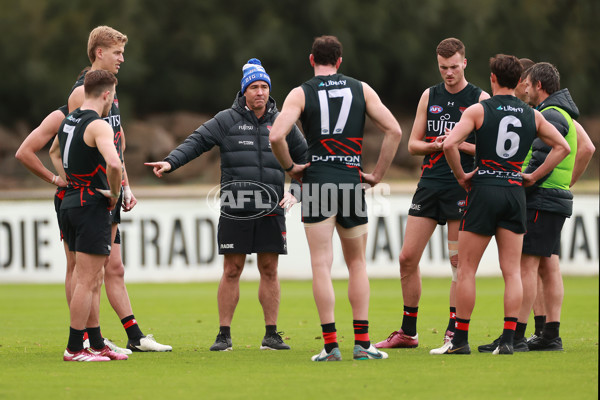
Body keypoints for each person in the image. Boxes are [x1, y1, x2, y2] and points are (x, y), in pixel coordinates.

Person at [146, 58, 307, 351]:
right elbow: (196, 142)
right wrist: (171, 162)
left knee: (269, 269)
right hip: (236, 208)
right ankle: (224, 335)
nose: (260, 92)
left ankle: (271, 335)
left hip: (272, 207)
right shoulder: (226, 120)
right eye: (254, 87)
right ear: (244, 91)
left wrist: (296, 190)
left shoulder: (283, 121)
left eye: (264, 87)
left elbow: (305, 158)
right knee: (232, 269)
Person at [269, 35, 402, 361]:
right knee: (357, 264)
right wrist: (377, 175)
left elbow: (275, 136)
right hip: (350, 180)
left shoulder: (301, 92)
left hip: (316, 183)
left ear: (311, 60)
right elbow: (395, 130)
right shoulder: (361, 88)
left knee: (321, 265)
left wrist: (292, 169)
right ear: (340, 61)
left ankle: (330, 346)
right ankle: (362, 344)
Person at [433, 54, 570, 355]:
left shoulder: (479, 109)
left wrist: (462, 175)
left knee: (467, 269)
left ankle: (459, 341)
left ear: (493, 79)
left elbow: (450, 143)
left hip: (484, 189)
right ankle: (510, 339)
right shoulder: (532, 114)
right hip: (513, 191)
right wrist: (533, 175)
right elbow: (564, 146)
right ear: (520, 82)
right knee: (512, 271)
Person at [51, 26, 171, 352]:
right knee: (85, 273)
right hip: (92, 194)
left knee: (113, 267)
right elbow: (67, 145)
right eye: (117, 52)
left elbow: (116, 143)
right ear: (98, 53)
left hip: (110, 190)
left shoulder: (109, 90)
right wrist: (68, 181)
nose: (122, 58)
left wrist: (127, 187)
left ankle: (134, 337)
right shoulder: (81, 94)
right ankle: (90, 340)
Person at [373, 38, 490, 353]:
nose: (448, 73)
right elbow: (412, 145)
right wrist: (438, 144)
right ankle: (408, 332)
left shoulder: (480, 98)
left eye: (454, 67)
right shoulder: (430, 95)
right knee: (406, 258)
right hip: (429, 184)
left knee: (457, 264)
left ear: (464, 62)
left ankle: (453, 331)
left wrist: (457, 143)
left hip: (462, 185)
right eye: (443, 68)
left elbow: (490, 152)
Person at [478, 62, 595, 353]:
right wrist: (565, 184)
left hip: (542, 197)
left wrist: (527, 180)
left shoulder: (550, 115)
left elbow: (539, 158)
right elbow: (587, 147)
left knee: (526, 265)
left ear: (539, 85)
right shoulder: (561, 112)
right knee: (548, 265)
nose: (525, 88)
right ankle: (548, 334)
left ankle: (516, 335)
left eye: (528, 83)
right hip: (554, 197)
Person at [59, 70, 126, 361]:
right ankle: (75, 348)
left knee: (92, 277)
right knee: (86, 280)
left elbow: (53, 150)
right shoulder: (99, 125)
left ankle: (97, 343)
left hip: (70, 202)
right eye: (113, 96)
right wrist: (113, 193)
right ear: (106, 95)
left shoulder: (68, 120)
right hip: (91, 204)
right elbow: (114, 163)